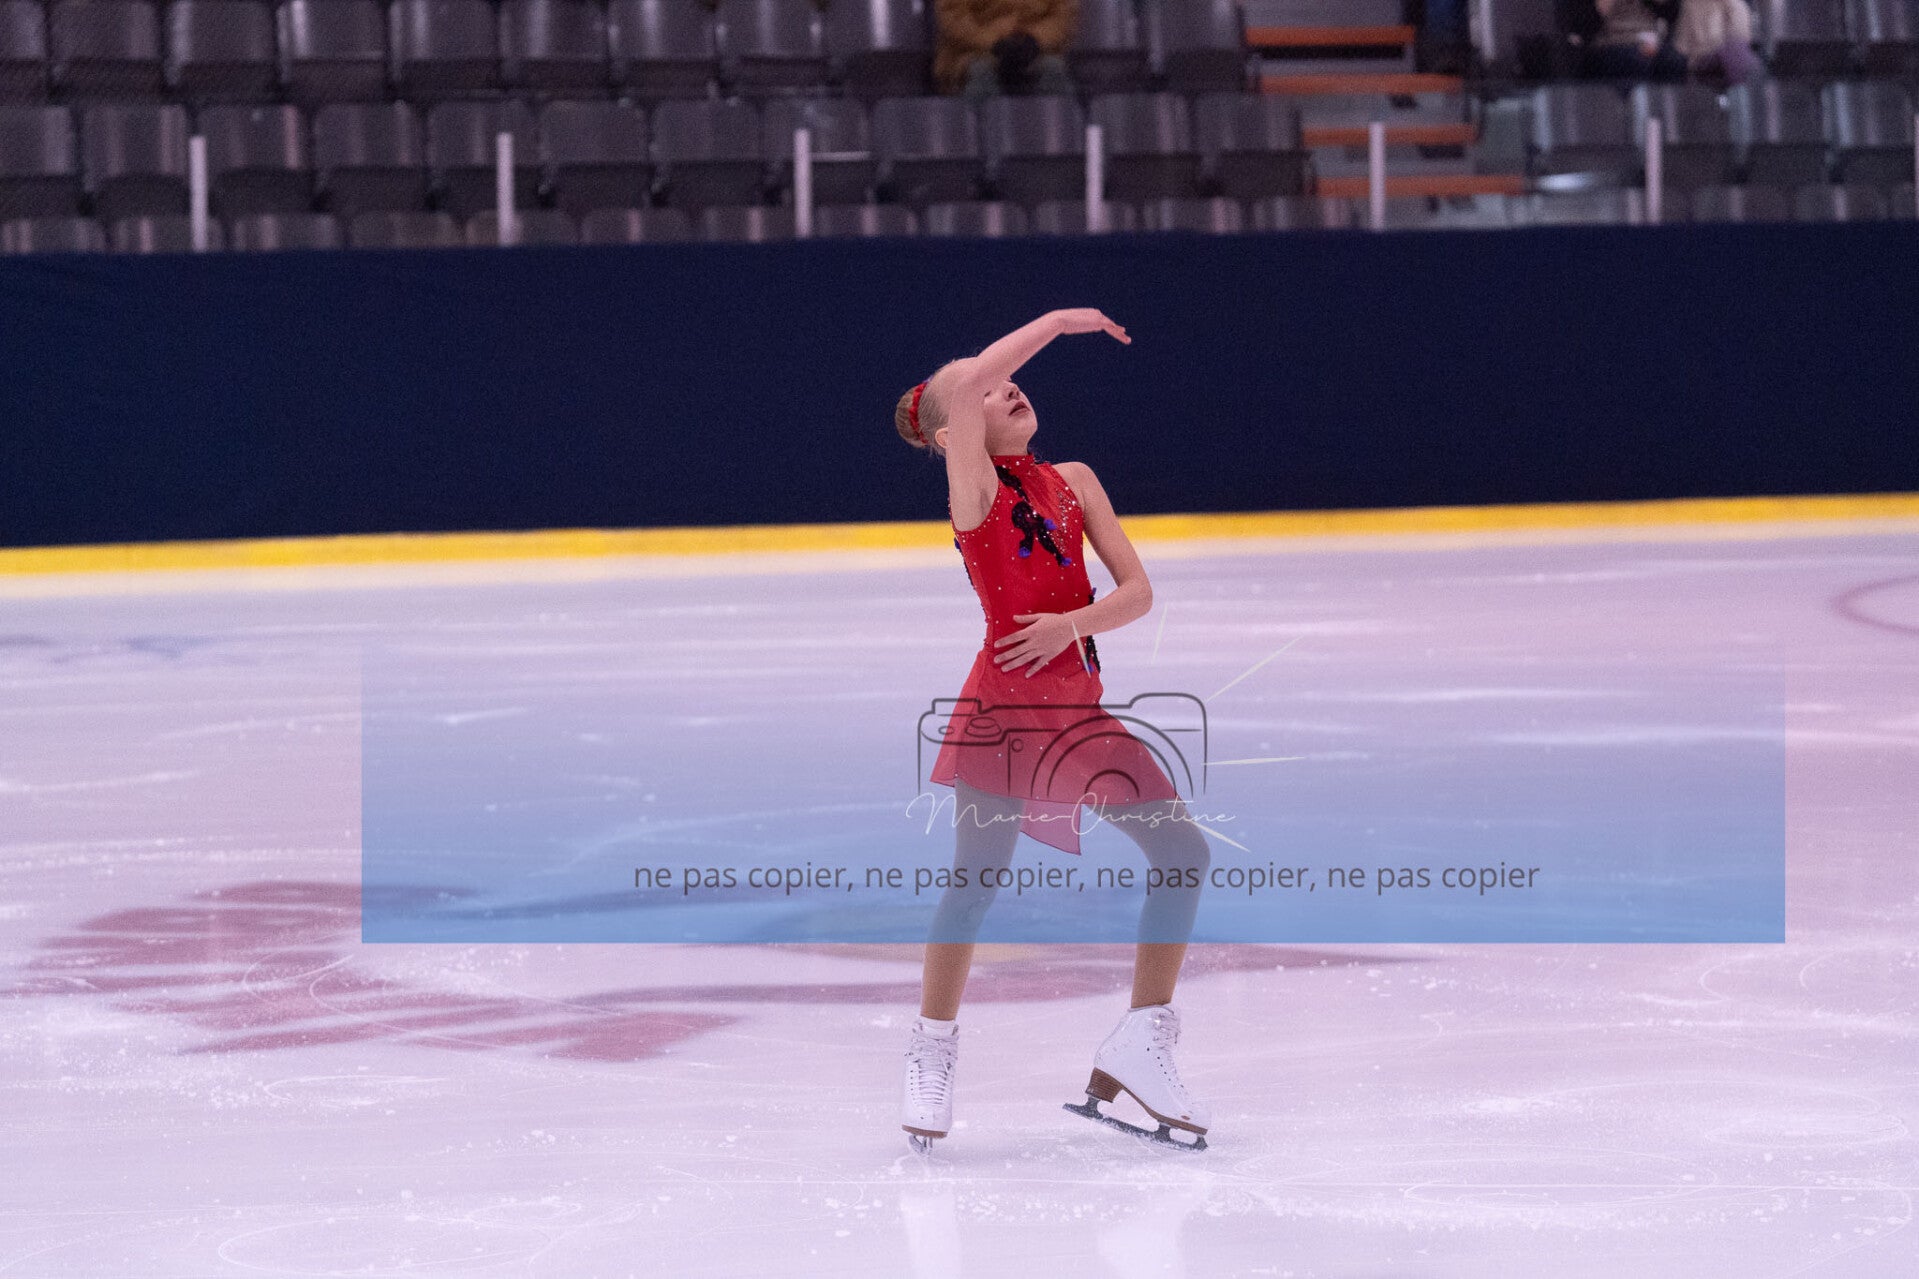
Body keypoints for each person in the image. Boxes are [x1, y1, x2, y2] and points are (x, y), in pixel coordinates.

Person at [892, 309, 1214, 1152]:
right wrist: (1061, 321)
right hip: (1002, 714)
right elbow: (969, 382)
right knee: (974, 882)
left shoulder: (1074, 479)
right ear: (952, 438)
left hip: (1078, 711)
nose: (1005, 387)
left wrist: (1071, 625)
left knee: (1182, 852)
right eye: (984, 390)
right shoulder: (975, 495)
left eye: (1008, 379)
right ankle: (931, 1048)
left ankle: (1142, 1039)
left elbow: (1138, 592)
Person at [934, 0, 1079, 98]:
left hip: (1035, 51)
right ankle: (976, 130)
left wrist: (1034, 40)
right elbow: (953, 19)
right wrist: (995, 43)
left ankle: (1056, 131)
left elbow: (1063, 16)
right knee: (981, 71)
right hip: (976, 52)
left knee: (1053, 69)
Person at [1578, 0, 1688, 79]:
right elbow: (1587, 25)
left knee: (1675, 61)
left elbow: (1671, 15)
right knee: (1637, 61)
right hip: (1612, 41)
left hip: (1648, 39)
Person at [1673, 0, 1764, 86]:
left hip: (1730, 57)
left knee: (1735, 52)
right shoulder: (1690, 5)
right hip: (1702, 62)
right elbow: (1682, 47)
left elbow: (1742, 38)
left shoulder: (1735, 5)